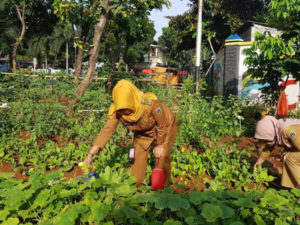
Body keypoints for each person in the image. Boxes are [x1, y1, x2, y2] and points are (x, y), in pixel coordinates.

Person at [82, 79, 177, 186]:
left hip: (165, 126)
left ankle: (165, 188)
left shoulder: (150, 105)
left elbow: (162, 126)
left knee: (162, 156)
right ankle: (137, 187)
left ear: (132, 99)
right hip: (143, 131)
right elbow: (107, 130)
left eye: (128, 107)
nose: (127, 113)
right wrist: (90, 154)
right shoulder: (116, 111)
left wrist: (159, 145)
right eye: (123, 110)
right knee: (137, 157)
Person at [254, 115, 300, 188]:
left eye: (265, 139)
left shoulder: (289, 130)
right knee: (287, 155)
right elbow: (268, 149)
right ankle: (294, 187)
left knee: (290, 157)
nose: (265, 142)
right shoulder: (275, 130)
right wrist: (256, 165)